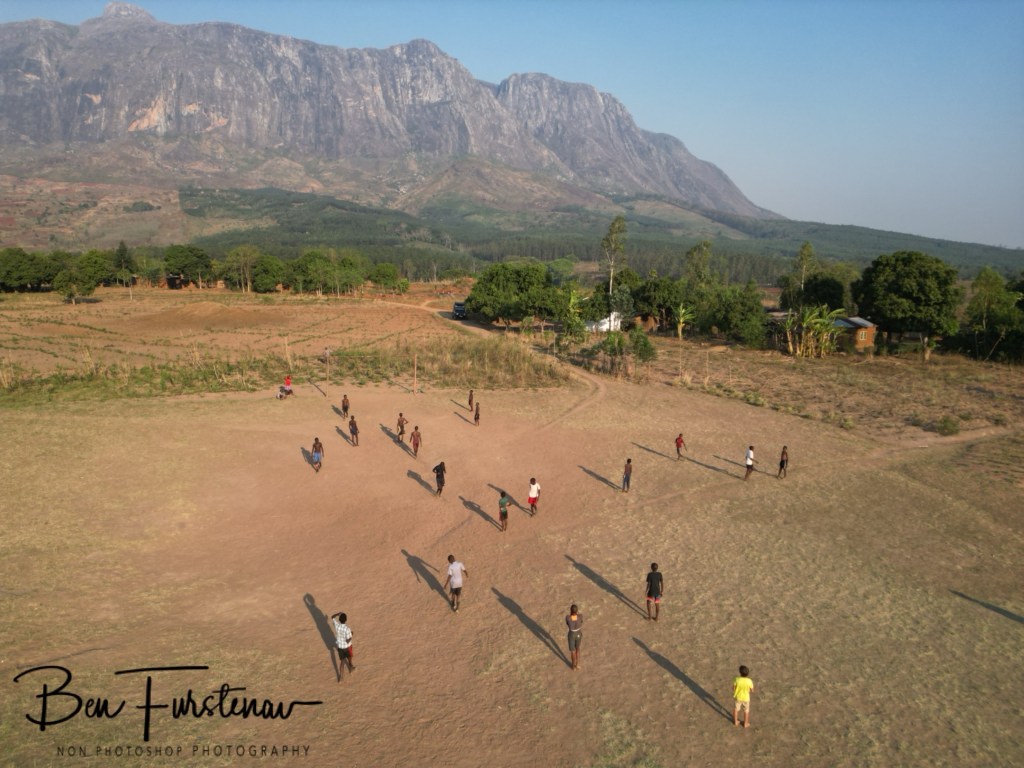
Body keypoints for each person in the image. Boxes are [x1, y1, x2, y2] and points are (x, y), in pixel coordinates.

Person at [331, 612, 354, 678]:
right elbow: (348, 640)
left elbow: (332, 617)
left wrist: (338, 613)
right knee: (350, 656)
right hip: (347, 647)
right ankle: (351, 667)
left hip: (340, 647)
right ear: (346, 620)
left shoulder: (337, 626)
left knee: (342, 662)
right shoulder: (347, 629)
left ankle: (341, 677)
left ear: (339, 620)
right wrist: (352, 634)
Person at [566, 604, 583, 670]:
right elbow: (581, 621)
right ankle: (577, 664)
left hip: (572, 634)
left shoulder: (568, 617)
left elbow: (567, 623)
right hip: (578, 633)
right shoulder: (580, 616)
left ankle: (573, 666)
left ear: (571, 610)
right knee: (577, 649)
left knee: (573, 651)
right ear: (577, 610)